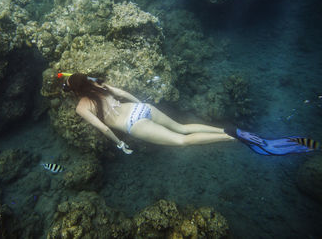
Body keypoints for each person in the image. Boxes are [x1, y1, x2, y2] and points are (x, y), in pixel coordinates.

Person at [61, 73, 319, 155]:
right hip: (141, 109)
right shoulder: (98, 85)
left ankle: (233, 138)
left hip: (132, 123)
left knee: (182, 142)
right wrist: (143, 107)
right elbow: (125, 94)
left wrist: (120, 144)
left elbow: (103, 128)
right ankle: (226, 131)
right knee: (183, 127)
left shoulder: (81, 106)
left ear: (72, 91)